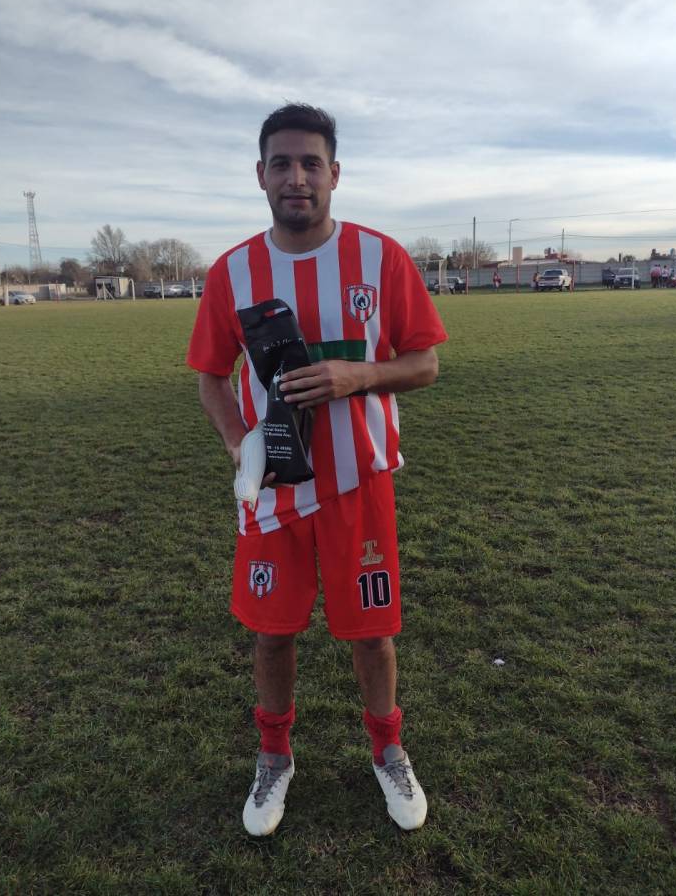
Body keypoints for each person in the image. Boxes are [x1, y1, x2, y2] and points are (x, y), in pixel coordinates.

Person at [187, 104, 447, 837]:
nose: (295, 177)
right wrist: (242, 446)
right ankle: (274, 758)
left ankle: (388, 748)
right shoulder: (232, 272)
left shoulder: (381, 258)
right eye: (281, 163)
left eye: (310, 164)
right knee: (272, 632)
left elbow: (425, 363)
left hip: (361, 485)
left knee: (372, 633)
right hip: (275, 493)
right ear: (260, 175)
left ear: (334, 174)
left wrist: (355, 377)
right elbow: (210, 375)